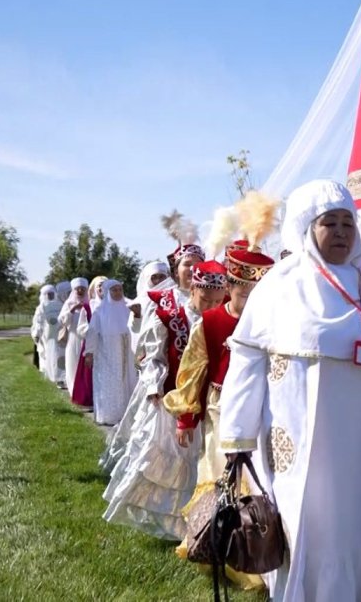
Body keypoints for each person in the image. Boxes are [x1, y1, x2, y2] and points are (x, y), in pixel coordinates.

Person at [219, 179, 361, 601]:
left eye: (349, 222)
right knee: (310, 524)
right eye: (330, 222)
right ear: (306, 227)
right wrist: (237, 437)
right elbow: (247, 361)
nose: (342, 232)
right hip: (306, 443)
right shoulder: (280, 287)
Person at [165, 241, 275, 590]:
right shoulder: (211, 323)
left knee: (256, 482)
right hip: (220, 410)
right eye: (243, 293)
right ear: (230, 285)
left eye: (256, 294)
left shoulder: (273, 322)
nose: (249, 300)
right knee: (219, 477)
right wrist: (186, 418)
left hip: (263, 409)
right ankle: (217, 548)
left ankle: (256, 552)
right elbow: (193, 371)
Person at [103, 248, 225, 540]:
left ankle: (199, 522)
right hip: (172, 397)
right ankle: (174, 523)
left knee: (204, 460)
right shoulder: (167, 307)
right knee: (169, 460)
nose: (191, 268)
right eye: (187, 264)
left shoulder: (220, 309)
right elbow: (152, 355)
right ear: (177, 269)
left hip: (208, 399)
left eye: (197, 264)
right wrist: (154, 385)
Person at [82, 280, 138, 425]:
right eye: (114, 290)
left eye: (120, 289)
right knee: (110, 383)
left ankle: (128, 414)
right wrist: (89, 353)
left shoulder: (128, 306)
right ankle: (110, 415)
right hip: (107, 353)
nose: (118, 293)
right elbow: (92, 333)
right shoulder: (100, 311)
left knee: (128, 379)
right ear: (107, 292)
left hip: (127, 351)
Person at [59, 277, 90, 394]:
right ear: (74, 290)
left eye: (83, 289)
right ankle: (74, 390)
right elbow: (62, 321)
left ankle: (85, 391)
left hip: (87, 340)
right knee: (72, 364)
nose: (80, 291)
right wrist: (72, 309)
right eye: (78, 289)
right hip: (73, 339)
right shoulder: (69, 303)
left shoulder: (90, 302)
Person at [30, 285, 63, 385]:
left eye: (51, 293)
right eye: (47, 294)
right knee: (47, 355)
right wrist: (37, 334)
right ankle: (48, 377)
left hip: (59, 334)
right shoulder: (41, 307)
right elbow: (38, 322)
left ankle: (59, 377)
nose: (50, 296)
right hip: (46, 336)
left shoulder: (60, 305)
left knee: (58, 355)